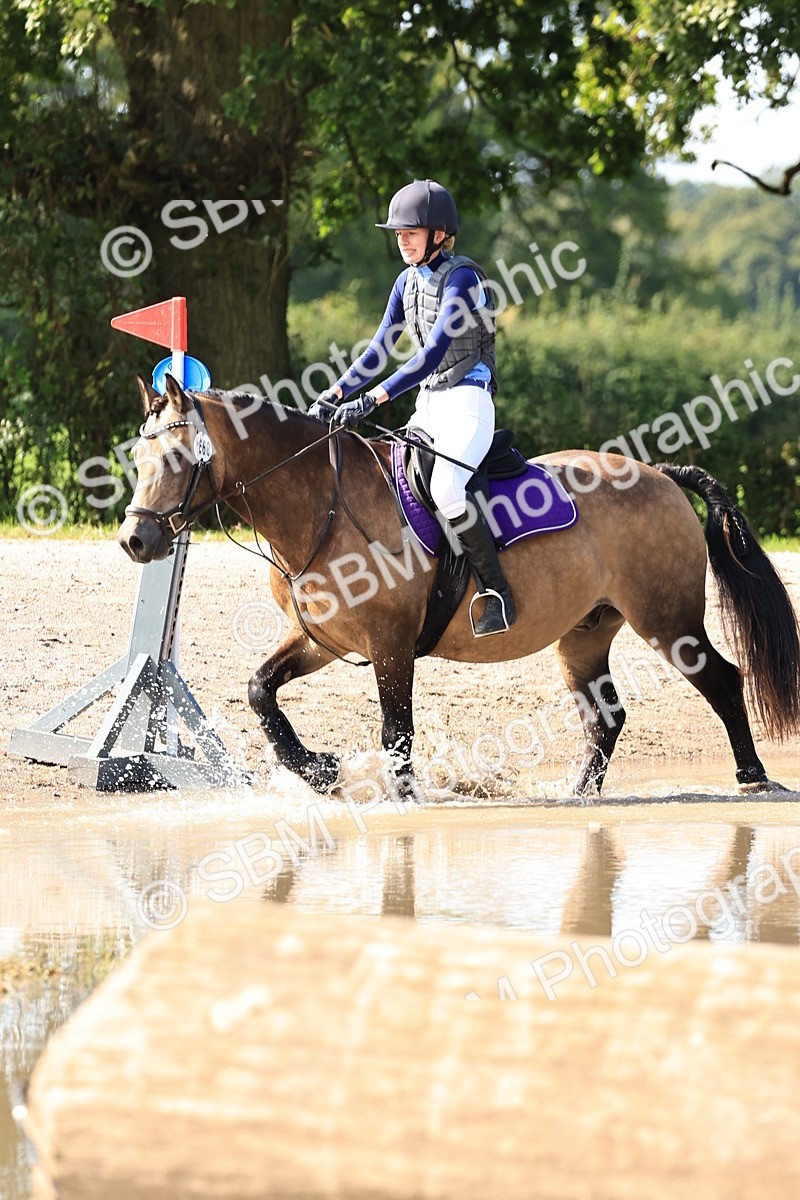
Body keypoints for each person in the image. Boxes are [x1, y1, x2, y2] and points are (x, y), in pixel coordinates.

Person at [309, 178, 516, 637]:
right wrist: (336, 392)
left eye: (411, 232)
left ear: (439, 234)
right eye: (399, 233)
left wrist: (373, 398)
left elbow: (433, 353)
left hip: (468, 403)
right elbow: (379, 350)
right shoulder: (406, 281)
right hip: (430, 404)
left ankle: (496, 592)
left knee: (446, 487)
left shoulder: (464, 279)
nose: (402, 240)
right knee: (388, 479)